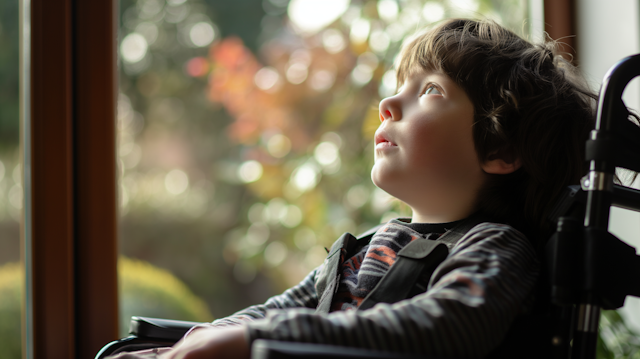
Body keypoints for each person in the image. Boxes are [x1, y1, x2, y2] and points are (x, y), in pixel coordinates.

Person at [111, 18, 603, 359]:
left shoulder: (496, 246)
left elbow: (446, 325)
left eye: (430, 90)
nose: (388, 102)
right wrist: (219, 333)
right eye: (400, 86)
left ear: (501, 151)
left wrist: (259, 340)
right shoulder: (373, 245)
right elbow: (282, 308)